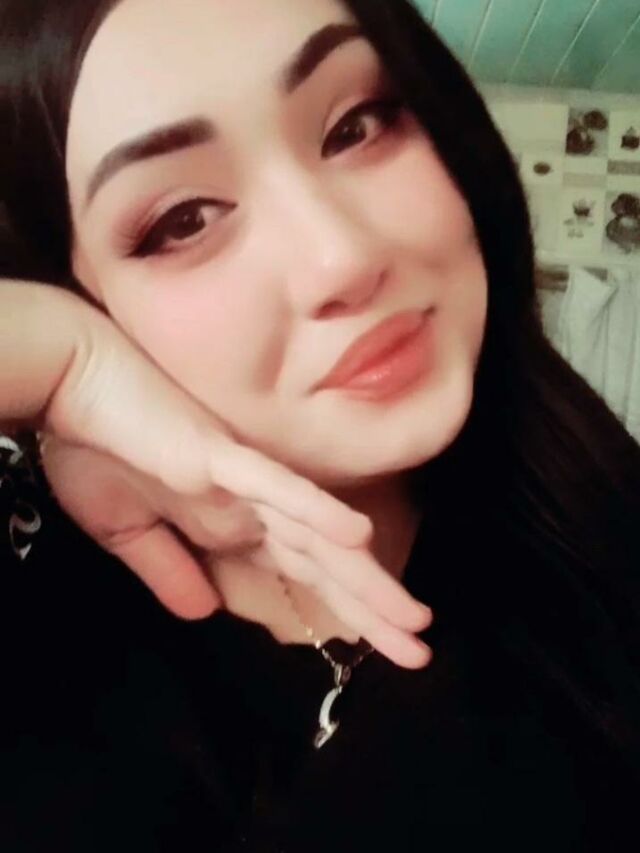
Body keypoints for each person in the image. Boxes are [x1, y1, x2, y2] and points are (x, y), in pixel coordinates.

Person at [1, 0, 639, 850]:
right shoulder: (31, 581)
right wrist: (64, 368)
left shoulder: (605, 531)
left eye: (356, 125)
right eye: (183, 221)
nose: (344, 256)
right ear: (72, 290)